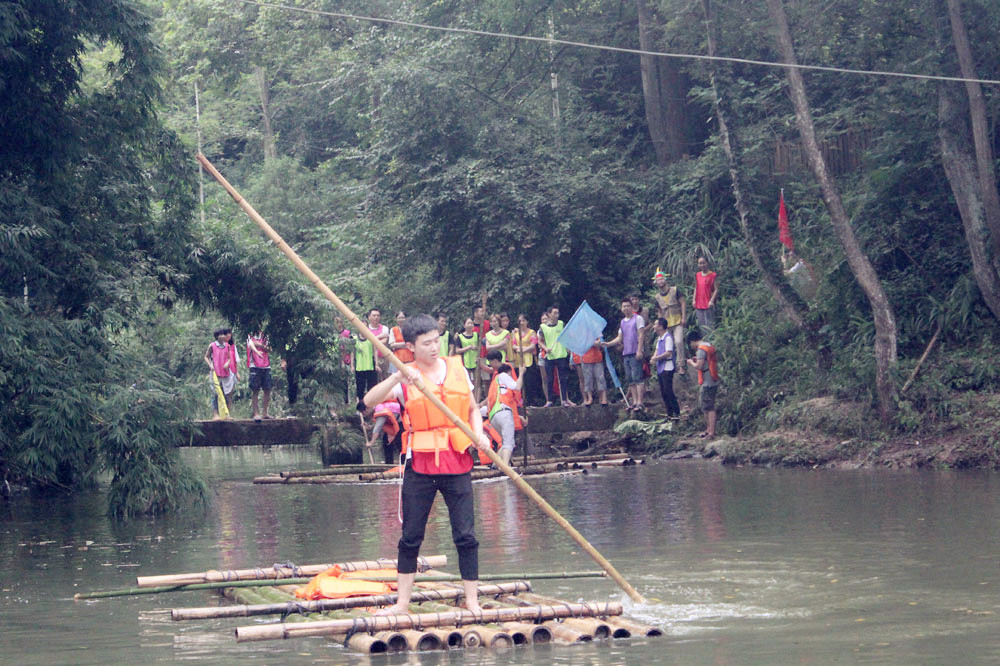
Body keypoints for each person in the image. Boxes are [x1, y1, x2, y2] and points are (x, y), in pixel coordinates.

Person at [363, 314, 491, 616]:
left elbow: (473, 409)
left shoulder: (457, 369)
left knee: (466, 535)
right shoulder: (406, 377)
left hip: (457, 462)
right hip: (420, 467)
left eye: (436, 341)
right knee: (411, 537)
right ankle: (402, 604)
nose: (434, 348)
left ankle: (471, 601)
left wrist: (479, 432)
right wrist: (397, 376)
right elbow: (369, 401)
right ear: (411, 346)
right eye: (426, 343)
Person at [603, 297, 646, 412]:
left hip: (635, 352)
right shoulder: (622, 322)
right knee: (630, 379)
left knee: (638, 378)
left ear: (632, 307)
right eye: (624, 306)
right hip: (626, 353)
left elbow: (641, 334)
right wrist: (608, 344)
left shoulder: (638, 319)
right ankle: (634, 402)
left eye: (628, 306)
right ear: (621, 308)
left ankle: (640, 402)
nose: (626, 308)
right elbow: (619, 337)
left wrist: (639, 350)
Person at [483, 351, 525, 466]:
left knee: (505, 443)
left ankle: (495, 465)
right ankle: (506, 468)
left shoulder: (495, 383)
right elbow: (517, 386)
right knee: (509, 443)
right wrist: (521, 374)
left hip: (494, 417)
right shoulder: (503, 375)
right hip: (503, 413)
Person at [537, 306, 574, 407]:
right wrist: (545, 348)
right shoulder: (543, 327)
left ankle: (564, 400)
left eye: (558, 313)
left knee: (563, 378)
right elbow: (539, 341)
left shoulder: (561, 324)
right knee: (550, 379)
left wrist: (568, 348)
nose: (557, 315)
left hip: (561, 354)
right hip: (550, 356)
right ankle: (549, 400)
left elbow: (567, 336)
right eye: (554, 313)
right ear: (549, 314)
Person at [687, 328, 720, 438]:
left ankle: (711, 432)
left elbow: (699, 366)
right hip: (712, 379)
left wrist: (691, 362)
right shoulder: (708, 345)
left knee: (709, 407)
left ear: (692, 341)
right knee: (705, 406)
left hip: (708, 381)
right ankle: (708, 429)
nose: (691, 346)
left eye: (690, 343)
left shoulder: (701, 349)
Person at [652, 268, 687, 375]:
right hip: (666, 325)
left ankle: (681, 365)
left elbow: (683, 303)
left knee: (679, 342)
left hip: (677, 322)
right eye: (658, 280)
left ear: (665, 279)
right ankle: (671, 366)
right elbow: (659, 312)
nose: (661, 281)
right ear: (656, 282)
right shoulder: (657, 297)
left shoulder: (675, 290)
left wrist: (684, 317)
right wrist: (659, 326)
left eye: (662, 279)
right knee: (668, 346)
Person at [204, 327, 238, 419]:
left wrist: (227, 363)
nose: (223, 336)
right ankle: (215, 414)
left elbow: (229, 357)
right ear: (217, 336)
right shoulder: (212, 345)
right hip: (215, 372)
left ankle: (227, 414)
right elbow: (206, 357)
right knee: (215, 394)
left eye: (224, 334)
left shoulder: (227, 346)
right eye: (221, 334)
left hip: (225, 372)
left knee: (227, 393)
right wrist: (210, 365)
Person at [649, 318, 680, 419]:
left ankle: (676, 412)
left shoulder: (668, 338)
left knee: (668, 390)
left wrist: (656, 358)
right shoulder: (660, 338)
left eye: (655, 324)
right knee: (663, 391)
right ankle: (669, 413)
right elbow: (657, 350)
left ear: (661, 326)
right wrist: (654, 358)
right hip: (660, 367)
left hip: (667, 367)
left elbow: (668, 353)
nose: (654, 326)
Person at [246, 329, 274, 421]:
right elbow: (251, 345)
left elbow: (270, 349)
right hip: (254, 365)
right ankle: (256, 413)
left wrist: (260, 345)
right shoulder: (249, 335)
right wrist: (259, 348)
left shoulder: (266, 337)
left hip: (266, 365)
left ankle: (265, 412)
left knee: (267, 389)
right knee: (255, 390)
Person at [511, 314, 539, 405]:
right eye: (520, 321)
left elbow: (533, 345)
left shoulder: (532, 332)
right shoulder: (515, 334)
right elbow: (513, 345)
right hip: (519, 359)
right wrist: (518, 349)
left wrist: (524, 349)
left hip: (529, 359)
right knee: (520, 379)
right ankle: (521, 400)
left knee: (530, 380)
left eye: (523, 320)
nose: (522, 323)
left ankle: (532, 400)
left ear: (527, 321)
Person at [454, 318, 481, 402]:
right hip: (465, 362)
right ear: (464, 325)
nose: (470, 325)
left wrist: (476, 348)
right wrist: (468, 348)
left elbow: (480, 347)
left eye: (471, 323)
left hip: (476, 362)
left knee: (477, 383)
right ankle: (470, 401)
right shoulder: (460, 337)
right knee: (468, 383)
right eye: (468, 323)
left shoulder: (477, 335)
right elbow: (457, 350)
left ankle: (477, 401)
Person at [369, 399, 402, 464]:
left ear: (367, 409)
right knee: (386, 442)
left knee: (400, 444)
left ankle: (404, 464)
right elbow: (381, 425)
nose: (364, 415)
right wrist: (368, 427)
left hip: (401, 423)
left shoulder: (380, 411)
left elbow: (378, 428)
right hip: (393, 424)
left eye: (363, 413)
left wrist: (371, 442)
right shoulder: (378, 408)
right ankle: (389, 464)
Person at [353, 326, 378, 412]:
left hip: (370, 366)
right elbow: (352, 352)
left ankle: (373, 407)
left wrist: (377, 364)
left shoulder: (371, 337)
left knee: (372, 387)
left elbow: (375, 351)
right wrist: (352, 365)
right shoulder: (355, 338)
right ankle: (360, 408)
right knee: (360, 388)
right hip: (359, 367)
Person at [576, 340, 608, 406]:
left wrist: (594, 343)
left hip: (597, 358)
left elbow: (600, 343)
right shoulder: (581, 333)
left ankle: (604, 398)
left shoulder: (596, 331)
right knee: (587, 379)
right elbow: (580, 344)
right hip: (585, 358)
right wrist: (592, 343)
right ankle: (590, 398)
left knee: (600, 377)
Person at [693, 256, 719, 332]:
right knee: (702, 326)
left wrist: (711, 301)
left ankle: (711, 342)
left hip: (708, 304)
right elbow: (696, 288)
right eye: (700, 263)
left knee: (710, 326)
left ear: (707, 263)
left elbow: (716, 289)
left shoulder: (713, 275)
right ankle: (704, 343)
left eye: (703, 263)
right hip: (699, 303)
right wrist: (694, 300)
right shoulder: (697, 275)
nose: (702, 265)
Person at [366, 308, 391, 377]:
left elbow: (385, 341)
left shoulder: (384, 328)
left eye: (378, 315)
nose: (376, 317)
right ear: (369, 317)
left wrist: (372, 339)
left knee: (386, 378)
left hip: (384, 357)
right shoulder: (366, 330)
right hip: (371, 358)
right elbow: (368, 342)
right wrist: (381, 336)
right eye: (374, 315)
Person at [335, 315, 354, 404]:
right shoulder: (332, 334)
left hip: (346, 360)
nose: (339, 324)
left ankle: (346, 402)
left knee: (345, 382)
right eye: (337, 322)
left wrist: (351, 364)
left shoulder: (347, 333)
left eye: (340, 322)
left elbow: (350, 349)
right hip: (335, 361)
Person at [535, 311, 551, 406]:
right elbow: (538, 343)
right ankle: (548, 399)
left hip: (553, 355)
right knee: (544, 378)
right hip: (542, 355)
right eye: (542, 319)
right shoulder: (539, 331)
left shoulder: (553, 328)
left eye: (546, 318)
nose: (544, 321)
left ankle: (563, 399)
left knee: (555, 377)